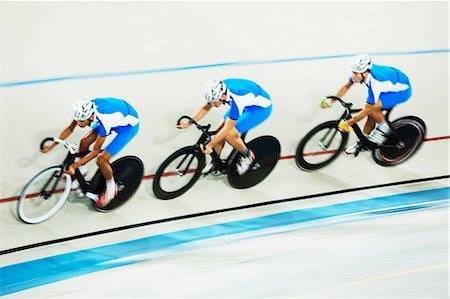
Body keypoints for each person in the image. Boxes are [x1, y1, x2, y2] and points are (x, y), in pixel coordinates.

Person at [41, 96, 140, 208]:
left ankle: (112, 188)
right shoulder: (84, 109)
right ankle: (83, 169)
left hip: (127, 128)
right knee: (84, 142)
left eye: (81, 121)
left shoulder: (105, 119)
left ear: (90, 116)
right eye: (77, 120)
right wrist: (51, 146)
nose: (78, 124)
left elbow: (95, 151)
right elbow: (70, 128)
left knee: (102, 160)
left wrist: (75, 165)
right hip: (115, 117)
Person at [177, 78, 272, 175]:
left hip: (259, 109)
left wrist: (210, 145)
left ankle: (248, 155)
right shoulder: (218, 89)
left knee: (228, 134)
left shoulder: (238, 98)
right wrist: (189, 122)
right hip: (245, 103)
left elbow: (227, 129)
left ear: (222, 96)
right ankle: (215, 161)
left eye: (214, 101)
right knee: (219, 131)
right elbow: (205, 108)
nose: (212, 104)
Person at [320, 54, 412, 155]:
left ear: (364, 73)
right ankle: (363, 142)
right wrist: (332, 101)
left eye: (355, 73)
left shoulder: (375, 83)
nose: (353, 76)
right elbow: (346, 86)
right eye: (353, 72)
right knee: (370, 115)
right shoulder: (362, 73)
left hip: (402, 91)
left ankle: (383, 128)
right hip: (390, 84)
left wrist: (348, 123)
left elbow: (368, 109)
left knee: (372, 109)